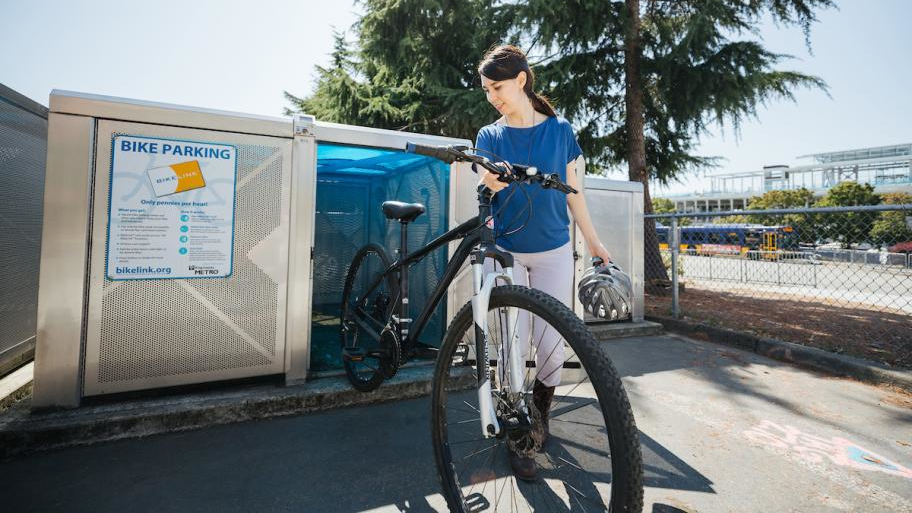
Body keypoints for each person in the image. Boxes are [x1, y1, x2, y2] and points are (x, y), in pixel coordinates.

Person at [458, 44, 613, 479]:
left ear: (521, 80)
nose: (492, 96)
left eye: (498, 87)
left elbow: (575, 192)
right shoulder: (490, 135)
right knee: (510, 343)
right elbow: (486, 179)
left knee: (550, 346)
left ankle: (541, 417)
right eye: (487, 89)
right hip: (503, 252)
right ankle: (517, 433)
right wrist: (494, 177)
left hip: (552, 251)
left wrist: (595, 242)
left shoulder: (560, 131)